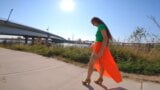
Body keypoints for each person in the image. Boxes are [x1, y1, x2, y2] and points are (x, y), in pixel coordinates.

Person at [82, 17, 122, 85]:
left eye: (93, 23)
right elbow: (100, 39)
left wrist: (100, 51)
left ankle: (88, 79)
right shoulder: (101, 26)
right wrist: (94, 44)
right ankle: (100, 78)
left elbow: (105, 38)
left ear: (95, 21)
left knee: (91, 64)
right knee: (101, 64)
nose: (93, 25)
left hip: (99, 48)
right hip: (99, 47)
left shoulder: (101, 26)